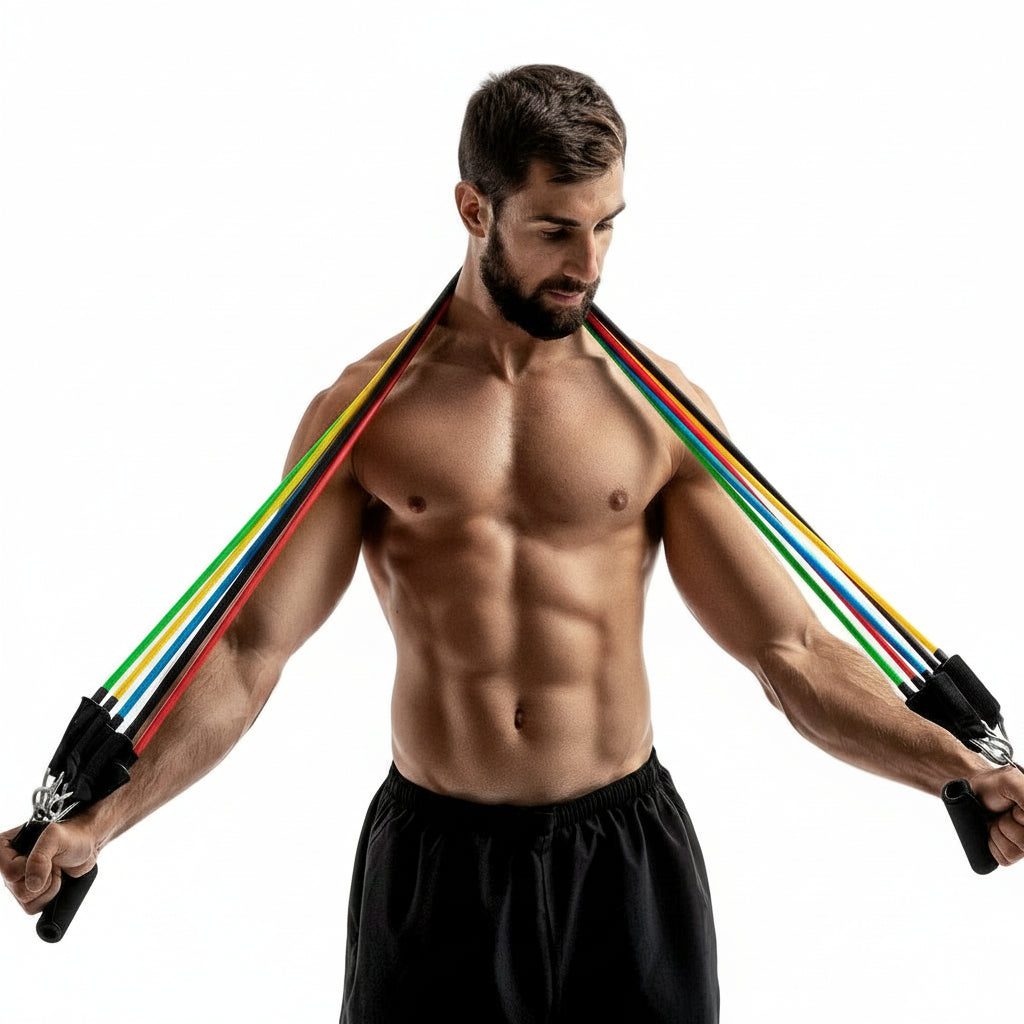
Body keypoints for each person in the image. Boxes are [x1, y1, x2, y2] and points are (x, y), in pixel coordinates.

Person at [3, 64, 1024, 1023]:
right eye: (554, 230)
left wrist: (959, 767)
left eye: (607, 226)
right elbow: (244, 650)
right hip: (435, 862)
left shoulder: (658, 413)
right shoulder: (365, 415)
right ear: (473, 209)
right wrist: (97, 822)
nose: (588, 264)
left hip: (625, 858)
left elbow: (789, 651)